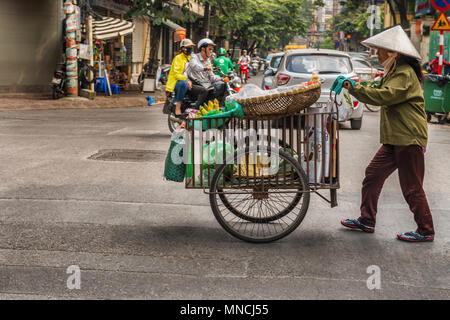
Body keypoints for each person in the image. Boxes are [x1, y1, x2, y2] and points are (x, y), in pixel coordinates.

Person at [335, 26, 435, 242]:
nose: (376, 54)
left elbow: (384, 96)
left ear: (393, 53)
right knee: (372, 175)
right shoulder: (394, 72)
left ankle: (426, 230)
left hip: (408, 138)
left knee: (411, 187)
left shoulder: (405, 74)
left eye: (379, 50)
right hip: (394, 138)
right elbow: (377, 87)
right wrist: (356, 85)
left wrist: (353, 88)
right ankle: (367, 220)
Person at [186, 38, 226, 108]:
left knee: (221, 86)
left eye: (212, 49)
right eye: (209, 49)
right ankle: (195, 109)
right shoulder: (194, 57)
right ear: (203, 49)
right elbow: (194, 66)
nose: (211, 51)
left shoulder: (208, 61)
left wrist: (222, 78)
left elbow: (212, 77)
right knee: (204, 90)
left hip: (204, 84)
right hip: (193, 84)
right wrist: (204, 68)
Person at [165, 38, 195, 117]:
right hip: (176, 82)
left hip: (189, 81)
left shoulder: (191, 58)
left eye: (191, 47)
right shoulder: (178, 58)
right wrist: (187, 80)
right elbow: (176, 74)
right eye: (188, 47)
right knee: (183, 84)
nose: (190, 49)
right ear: (183, 48)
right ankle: (177, 108)